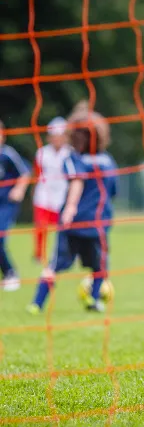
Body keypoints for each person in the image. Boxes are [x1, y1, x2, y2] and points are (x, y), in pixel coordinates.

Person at [27, 104, 118, 314]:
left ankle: (36, 304)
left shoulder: (74, 159)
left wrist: (70, 207)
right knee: (99, 266)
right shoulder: (108, 162)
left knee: (55, 265)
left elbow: (76, 181)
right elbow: (111, 191)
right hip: (98, 222)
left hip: (73, 221)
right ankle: (94, 300)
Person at [32, 117, 71, 263]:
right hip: (44, 193)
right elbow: (37, 173)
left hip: (62, 195)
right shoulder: (42, 153)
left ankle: (64, 252)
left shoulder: (69, 153)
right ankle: (39, 254)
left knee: (64, 227)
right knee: (41, 226)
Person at [0, 120, 31, 291]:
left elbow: (25, 172)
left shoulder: (8, 154)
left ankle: (10, 273)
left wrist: (19, 189)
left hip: (6, 204)